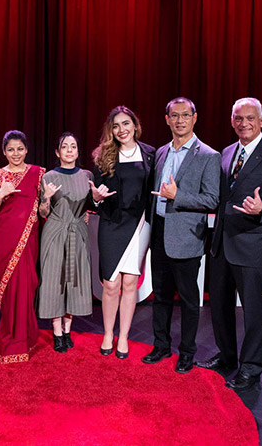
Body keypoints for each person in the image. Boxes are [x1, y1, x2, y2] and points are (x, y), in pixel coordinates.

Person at [198, 97, 262, 391]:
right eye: (239, 118)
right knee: (219, 307)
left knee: (254, 311)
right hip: (222, 244)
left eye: (250, 118)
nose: (244, 123)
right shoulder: (227, 152)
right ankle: (228, 358)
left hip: (254, 246)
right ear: (232, 121)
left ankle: (251, 370)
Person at [142, 98, 220, 373]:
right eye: (174, 115)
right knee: (160, 295)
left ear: (195, 118)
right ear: (167, 119)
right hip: (160, 230)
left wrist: (179, 196)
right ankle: (161, 345)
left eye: (185, 115)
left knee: (188, 298)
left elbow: (212, 199)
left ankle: (187, 351)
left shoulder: (208, 156)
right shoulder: (161, 152)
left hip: (186, 236)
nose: (180, 120)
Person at [90, 106, 155, 359]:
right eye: (116, 126)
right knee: (110, 283)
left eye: (126, 124)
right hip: (112, 222)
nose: (122, 130)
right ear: (111, 130)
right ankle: (108, 333)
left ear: (135, 125)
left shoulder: (150, 154)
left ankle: (124, 337)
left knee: (130, 282)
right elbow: (95, 195)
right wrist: (95, 198)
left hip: (140, 223)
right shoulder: (103, 156)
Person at [0, 130, 45, 363]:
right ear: (4, 152)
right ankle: (10, 337)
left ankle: (24, 339)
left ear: (26, 149)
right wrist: (1, 193)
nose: (15, 153)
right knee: (8, 292)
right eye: (11, 149)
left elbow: (44, 209)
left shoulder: (39, 174)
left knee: (26, 286)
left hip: (28, 241)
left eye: (20, 148)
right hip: (2, 241)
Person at [38, 133, 94, 353]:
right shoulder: (48, 176)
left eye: (73, 146)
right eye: (65, 146)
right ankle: (57, 332)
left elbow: (91, 203)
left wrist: (94, 202)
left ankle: (68, 329)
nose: (69, 150)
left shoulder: (87, 175)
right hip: (54, 231)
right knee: (54, 280)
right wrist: (46, 198)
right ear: (57, 152)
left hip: (77, 232)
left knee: (74, 279)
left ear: (78, 151)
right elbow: (42, 212)